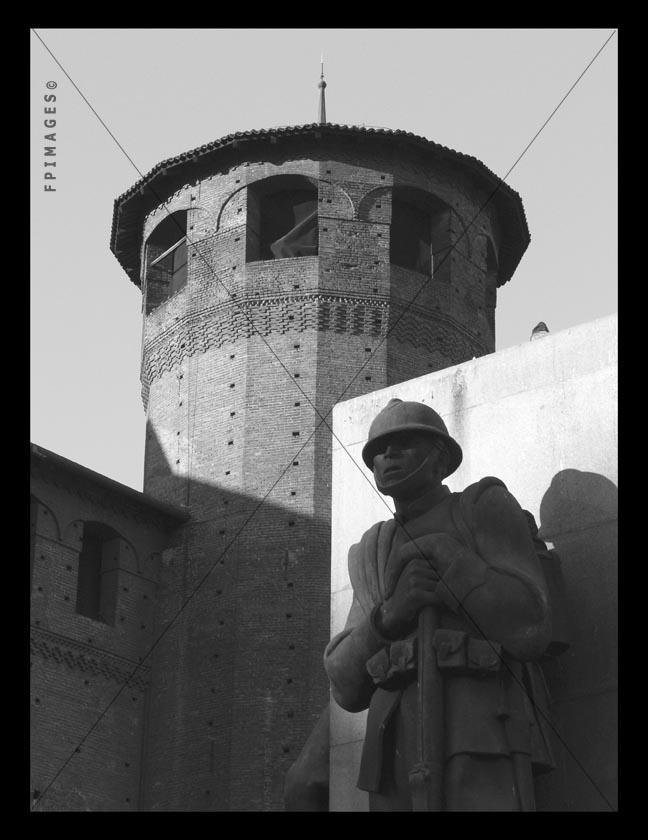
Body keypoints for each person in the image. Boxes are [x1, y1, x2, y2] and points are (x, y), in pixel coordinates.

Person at [324, 398, 559, 811]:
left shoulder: (481, 507)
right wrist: (389, 616)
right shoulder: (372, 550)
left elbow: (532, 623)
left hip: (480, 731)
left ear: (440, 458)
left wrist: (457, 565)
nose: (388, 455)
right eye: (378, 450)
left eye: (404, 442)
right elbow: (344, 683)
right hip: (394, 745)